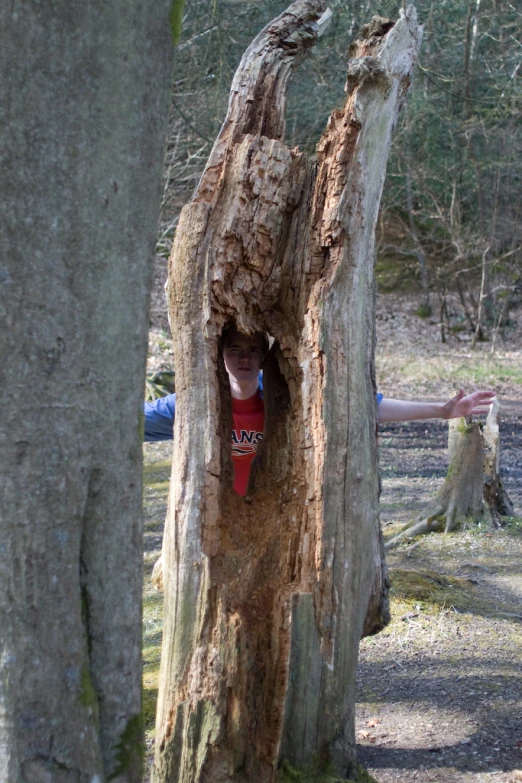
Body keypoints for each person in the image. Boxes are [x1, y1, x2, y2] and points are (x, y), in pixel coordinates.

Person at [144, 328, 496, 495]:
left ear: (265, 356)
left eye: (253, 349)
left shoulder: (283, 398)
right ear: (220, 356)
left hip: (274, 510)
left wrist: (441, 410)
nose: (245, 358)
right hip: (215, 515)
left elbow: (365, 408)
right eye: (235, 350)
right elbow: (131, 424)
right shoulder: (192, 405)